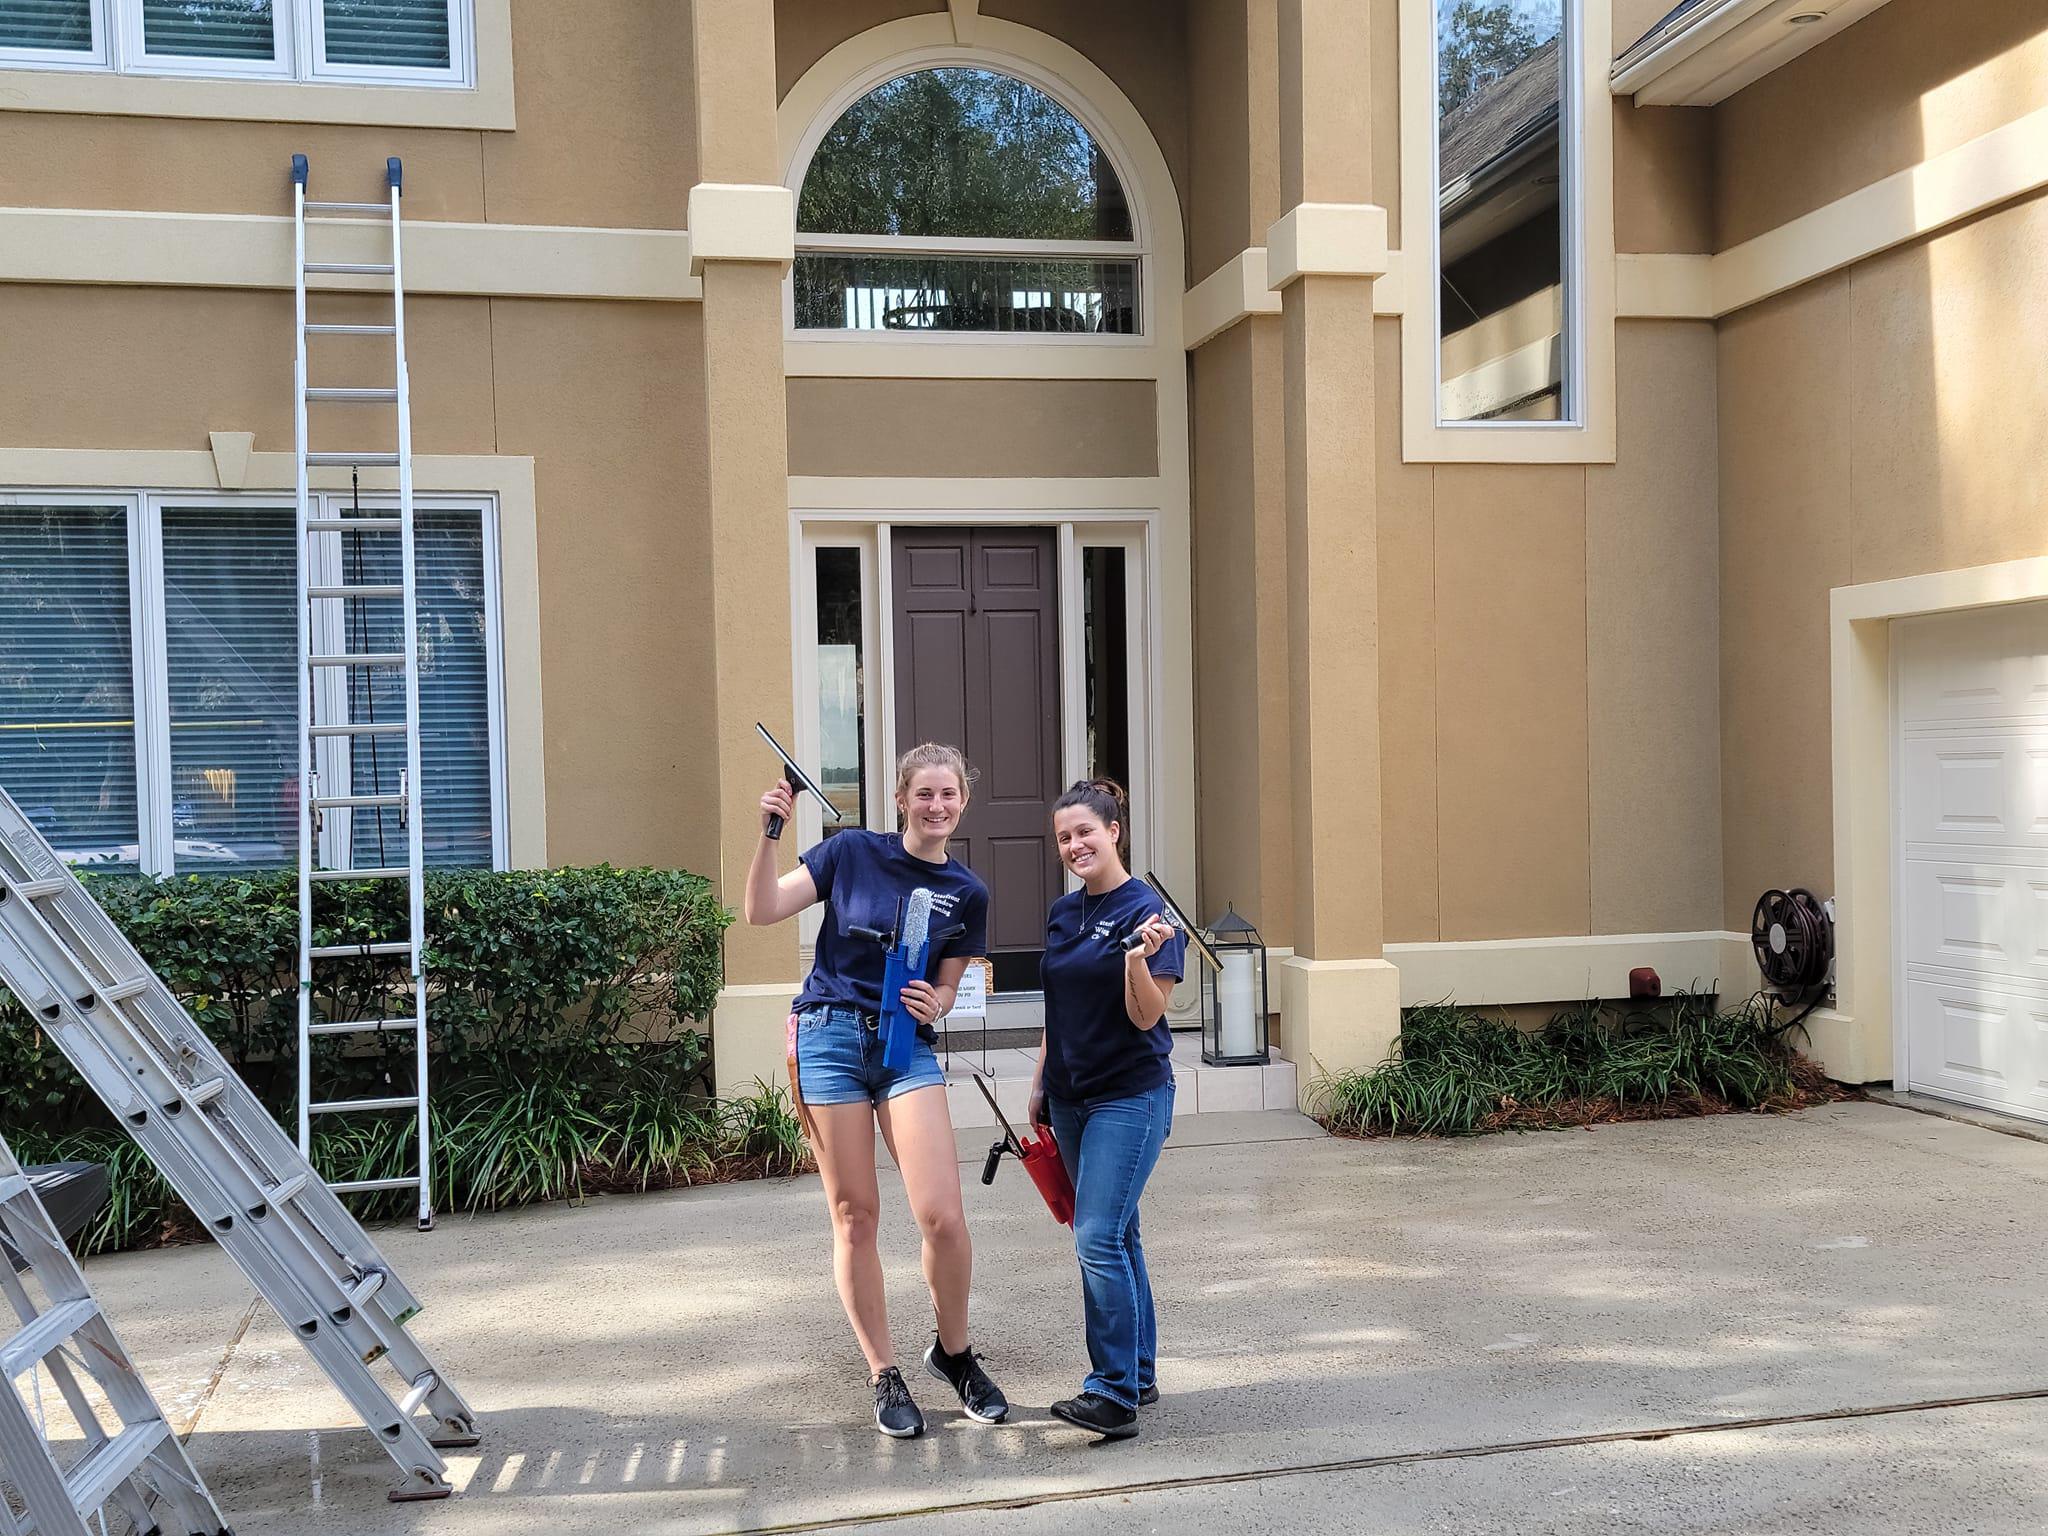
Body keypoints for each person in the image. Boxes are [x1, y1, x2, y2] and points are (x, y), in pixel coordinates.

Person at [743, 742, 1010, 1439]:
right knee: (855, 1215)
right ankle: (883, 1371)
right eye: (924, 793)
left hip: (903, 1046)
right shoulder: (851, 851)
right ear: (900, 798)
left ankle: (954, 1354)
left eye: (948, 794)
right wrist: (770, 834)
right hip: (828, 1036)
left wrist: (936, 1002)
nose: (936, 806)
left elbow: (949, 985)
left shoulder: (968, 892)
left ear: (963, 802)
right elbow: (762, 909)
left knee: (943, 1217)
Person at [1027, 778, 1184, 1441]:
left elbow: (1147, 1014)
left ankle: (1112, 1393)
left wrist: (1136, 959)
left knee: (1095, 1235)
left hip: (1130, 1095)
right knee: (1119, 1235)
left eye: (1085, 831)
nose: (1074, 845)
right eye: (1064, 837)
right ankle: (1139, 1373)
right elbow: (1057, 1007)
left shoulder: (1147, 912)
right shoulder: (1063, 912)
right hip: (1070, 1097)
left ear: (1114, 830)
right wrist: (1040, 1081)